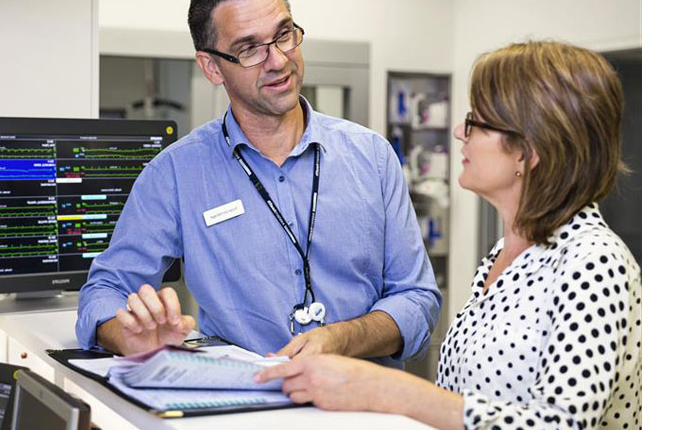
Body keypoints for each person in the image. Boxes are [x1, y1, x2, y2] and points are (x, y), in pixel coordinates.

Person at [257, 41, 641, 429]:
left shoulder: (593, 261)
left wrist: (385, 389)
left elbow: (560, 425)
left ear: (528, 151)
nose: (459, 132)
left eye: (476, 122)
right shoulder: (504, 256)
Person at [75, 0, 441, 368]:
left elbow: (417, 299)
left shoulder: (371, 157)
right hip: (241, 411)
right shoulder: (175, 175)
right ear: (212, 67)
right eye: (250, 48)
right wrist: (129, 336)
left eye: (284, 35)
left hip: (365, 410)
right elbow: (104, 290)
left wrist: (343, 338)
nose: (278, 61)